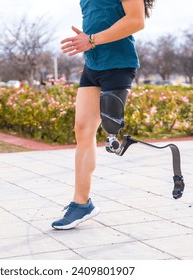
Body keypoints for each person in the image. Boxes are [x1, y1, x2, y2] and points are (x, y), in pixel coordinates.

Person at [51, 0, 156, 230]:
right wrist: (86, 43)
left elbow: (136, 20)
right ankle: (81, 204)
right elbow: (99, 21)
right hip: (93, 66)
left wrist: (90, 39)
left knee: (111, 126)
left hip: (118, 64)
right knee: (82, 129)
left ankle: (117, 139)